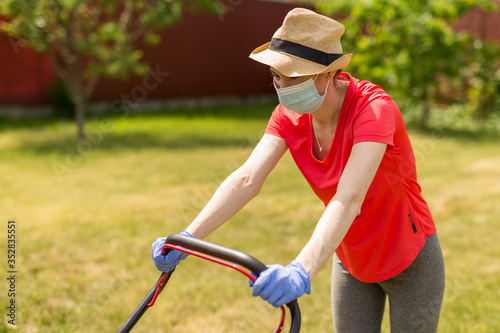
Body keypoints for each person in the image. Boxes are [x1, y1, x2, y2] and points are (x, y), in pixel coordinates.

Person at [152, 8, 445, 332]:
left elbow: (348, 199)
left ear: (328, 74)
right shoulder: (288, 116)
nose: (283, 86)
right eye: (278, 76)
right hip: (350, 258)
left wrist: (301, 269)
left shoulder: (374, 110)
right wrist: (188, 237)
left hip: (408, 258)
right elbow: (247, 178)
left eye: (294, 77)